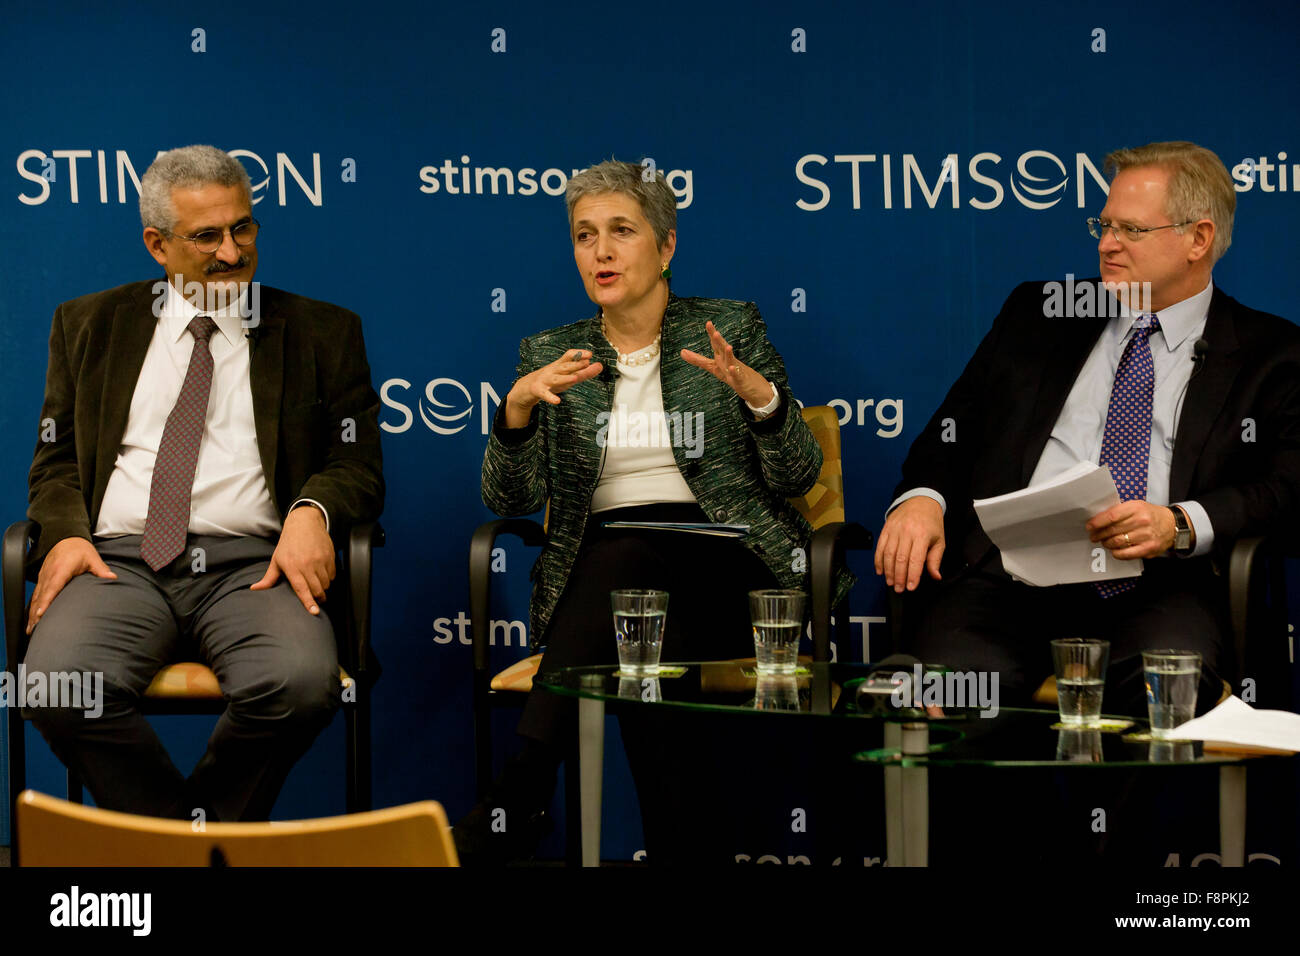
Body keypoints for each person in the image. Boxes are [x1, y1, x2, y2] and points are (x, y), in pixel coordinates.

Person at [458, 159, 850, 863]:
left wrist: (762, 399)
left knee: (626, 568)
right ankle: (678, 850)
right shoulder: (550, 353)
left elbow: (796, 474)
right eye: (584, 236)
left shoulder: (727, 328)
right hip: (620, 595)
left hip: (733, 573)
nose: (600, 252)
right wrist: (515, 413)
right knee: (634, 606)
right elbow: (510, 501)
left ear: (665, 246)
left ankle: (520, 790)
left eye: (621, 232)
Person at [22, 145, 384, 821]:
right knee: (53, 685)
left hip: (255, 567)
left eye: (242, 228)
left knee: (302, 685)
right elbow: (57, 460)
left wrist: (312, 510)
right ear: (157, 244)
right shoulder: (88, 324)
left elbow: (355, 463)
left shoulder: (323, 333)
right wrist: (66, 535)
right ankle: (196, 848)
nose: (231, 252)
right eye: (206, 236)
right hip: (118, 563)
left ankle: (186, 846)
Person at [875, 140, 1300, 716]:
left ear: (1198, 239)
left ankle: (1117, 811)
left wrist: (1178, 523)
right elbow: (951, 430)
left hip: (1160, 587)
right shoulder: (1041, 313)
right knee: (944, 697)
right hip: (1010, 583)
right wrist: (921, 499)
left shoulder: (1272, 353)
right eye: (1101, 226)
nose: (1106, 245)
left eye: (1130, 230)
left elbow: (1283, 488)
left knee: (1166, 697)